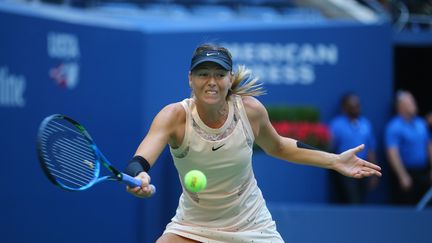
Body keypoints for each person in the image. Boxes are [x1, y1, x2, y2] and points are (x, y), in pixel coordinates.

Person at [124, 43, 382, 243]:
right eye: (203, 74)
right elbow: (140, 161)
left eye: (219, 74)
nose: (211, 81)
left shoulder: (250, 110)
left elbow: (278, 146)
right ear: (190, 79)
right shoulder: (174, 117)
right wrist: (140, 176)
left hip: (252, 225)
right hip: (193, 226)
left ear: (229, 78)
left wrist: (335, 160)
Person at [328, 92, 378, 204]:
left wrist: (374, 172)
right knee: (351, 200)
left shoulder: (366, 123)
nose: (357, 108)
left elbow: (371, 149)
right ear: (345, 108)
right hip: (344, 168)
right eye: (353, 106)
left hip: (364, 168)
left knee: (361, 201)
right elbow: (330, 147)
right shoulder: (337, 124)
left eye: (358, 105)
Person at [385, 90, 432, 205]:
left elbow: (429, 146)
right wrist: (402, 175)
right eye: (410, 102)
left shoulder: (421, 123)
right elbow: (392, 153)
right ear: (400, 106)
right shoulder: (394, 127)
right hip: (407, 174)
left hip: (424, 173)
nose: (414, 104)